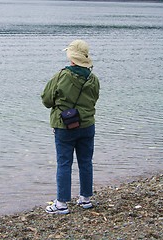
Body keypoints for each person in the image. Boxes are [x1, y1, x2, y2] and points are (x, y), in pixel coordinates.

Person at [41, 39, 100, 214]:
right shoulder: (93, 78)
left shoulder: (61, 75)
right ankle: (85, 199)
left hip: (65, 126)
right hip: (88, 125)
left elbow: (46, 100)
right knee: (86, 162)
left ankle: (61, 204)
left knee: (64, 163)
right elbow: (94, 99)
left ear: (72, 57)